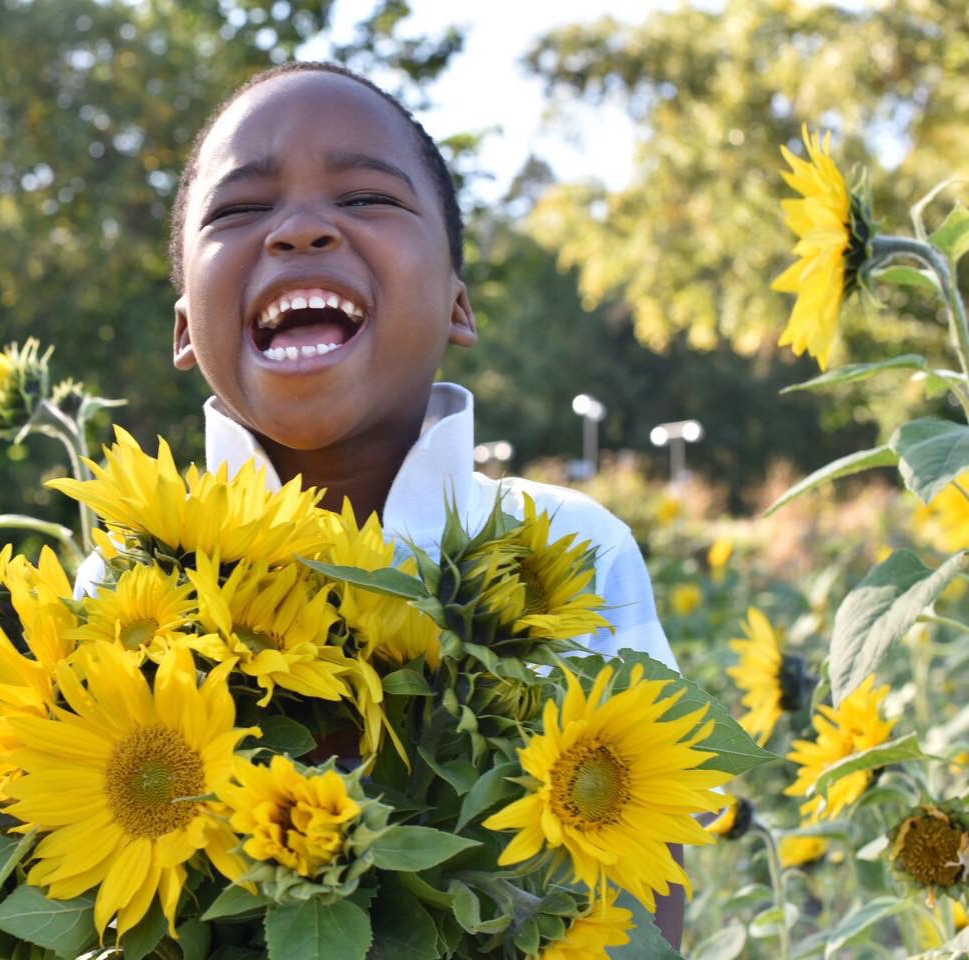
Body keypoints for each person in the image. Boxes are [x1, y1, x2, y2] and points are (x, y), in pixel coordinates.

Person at [76, 61, 685, 945]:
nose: (301, 229)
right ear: (183, 330)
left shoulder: (569, 550)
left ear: (457, 306)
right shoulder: (124, 584)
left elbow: (647, 874)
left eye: (365, 197)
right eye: (240, 210)